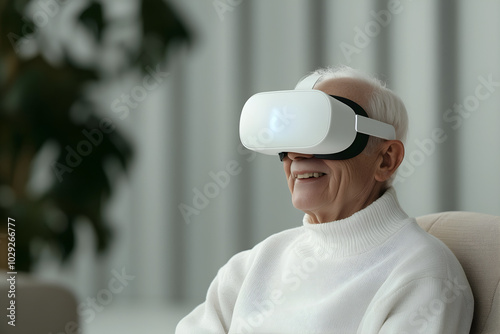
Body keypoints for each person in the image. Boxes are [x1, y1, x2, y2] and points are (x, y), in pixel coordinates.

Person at [175, 66, 474, 333]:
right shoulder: (250, 267)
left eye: (326, 132)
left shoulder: (422, 277)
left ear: (386, 159)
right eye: (292, 135)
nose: (297, 155)